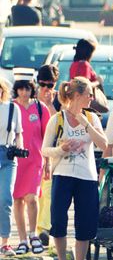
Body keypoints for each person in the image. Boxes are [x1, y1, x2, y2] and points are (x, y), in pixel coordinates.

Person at [41, 77, 107, 260]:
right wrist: (61, 149)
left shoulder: (92, 117)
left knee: (84, 223)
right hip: (63, 174)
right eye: (89, 94)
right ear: (77, 95)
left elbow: (103, 144)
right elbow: (44, 149)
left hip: (86, 176)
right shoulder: (57, 119)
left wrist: (86, 122)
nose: (91, 98)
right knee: (58, 221)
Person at [12, 71, 51, 255]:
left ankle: (33, 234)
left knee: (32, 198)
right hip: (14, 160)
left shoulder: (40, 108)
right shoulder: (10, 108)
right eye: (20, 88)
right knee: (17, 200)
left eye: (27, 88)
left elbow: (48, 138)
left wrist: (48, 163)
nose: (24, 92)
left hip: (36, 158)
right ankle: (21, 240)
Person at [35, 65, 60, 246]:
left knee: (48, 193)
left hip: (51, 154)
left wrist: (50, 104)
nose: (45, 89)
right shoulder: (29, 98)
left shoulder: (58, 100)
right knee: (34, 194)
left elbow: (57, 126)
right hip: (32, 153)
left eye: (49, 85)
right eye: (42, 84)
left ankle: (43, 229)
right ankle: (34, 229)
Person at [0, 78, 24, 257]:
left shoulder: (12, 108)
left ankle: (5, 242)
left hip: (8, 155)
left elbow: (19, 133)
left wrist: (20, 149)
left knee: (5, 198)